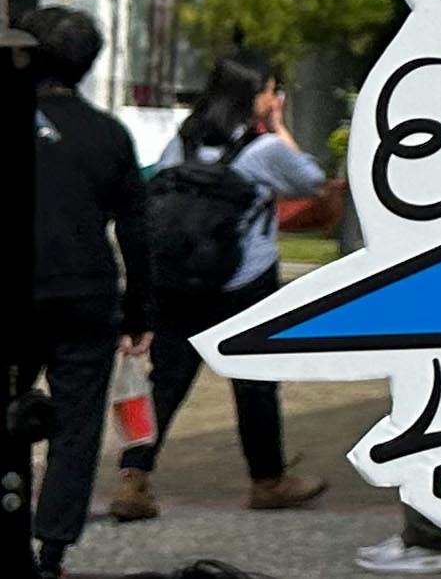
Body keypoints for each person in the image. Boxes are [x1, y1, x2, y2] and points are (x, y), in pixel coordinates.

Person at [112, 53, 327, 518]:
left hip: (178, 281)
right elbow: (311, 182)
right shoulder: (263, 150)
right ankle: (268, 481)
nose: (275, 98)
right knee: (254, 384)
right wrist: (279, 126)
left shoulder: (183, 143)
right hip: (245, 281)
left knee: (166, 383)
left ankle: (132, 481)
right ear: (255, 96)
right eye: (271, 90)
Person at [22, 4, 151, 579]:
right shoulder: (108, 134)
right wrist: (140, 310)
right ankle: (52, 549)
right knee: (76, 426)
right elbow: (136, 230)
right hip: (85, 293)